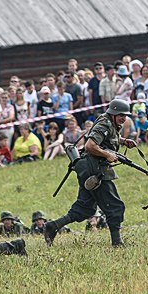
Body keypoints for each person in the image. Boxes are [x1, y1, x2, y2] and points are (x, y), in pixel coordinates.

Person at [43, 98, 136, 248]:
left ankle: (52, 226)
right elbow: (90, 145)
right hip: (95, 171)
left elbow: (107, 138)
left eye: (125, 116)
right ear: (113, 113)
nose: (123, 118)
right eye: (121, 115)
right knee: (115, 207)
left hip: (89, 170)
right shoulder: (104, 123)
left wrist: (124, 141)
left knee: (84, 208)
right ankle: (117, 243)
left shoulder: (110, 123)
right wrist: (107, 155)